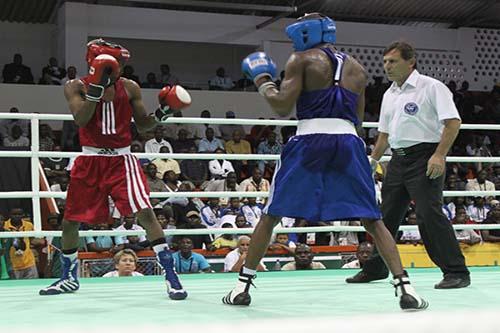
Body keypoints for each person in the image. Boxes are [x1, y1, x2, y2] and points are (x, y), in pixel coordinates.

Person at [222, 14, 427, 311]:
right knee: (372, 218)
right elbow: (357, 120)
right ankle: (406, 289)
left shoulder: (301, 59)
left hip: (309, 140)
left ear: (306, 33)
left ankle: (242, 287)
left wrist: (262, 79)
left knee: (272, 213)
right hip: (349, 143)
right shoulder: (357, 68)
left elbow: (280, 107)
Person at [39, 38, 191, 300]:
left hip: (122, 160)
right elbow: (81, 119)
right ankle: (68, 278)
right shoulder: (75, 86)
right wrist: (97, 86)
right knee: (70, 221)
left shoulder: (129, 87)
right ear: (97, 63)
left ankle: (171, 276)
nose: (119, 67)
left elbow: (143, 126)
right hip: (90, 160)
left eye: (120, 63)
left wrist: (163, 112)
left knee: (145, 215)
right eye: (115, 63)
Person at [346, 41, 470, 290]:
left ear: (410, 61)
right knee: (384, 216)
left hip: (426, 156)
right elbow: (383, 135)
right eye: (384, 62)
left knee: (428, 214)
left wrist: (439, 155)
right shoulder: (389, 94)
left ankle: (456, 271)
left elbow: (453, 122)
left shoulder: (432, 87)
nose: (387, 66)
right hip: (398, 160)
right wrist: (372, 161)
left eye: (392, 61)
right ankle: (377, 268)